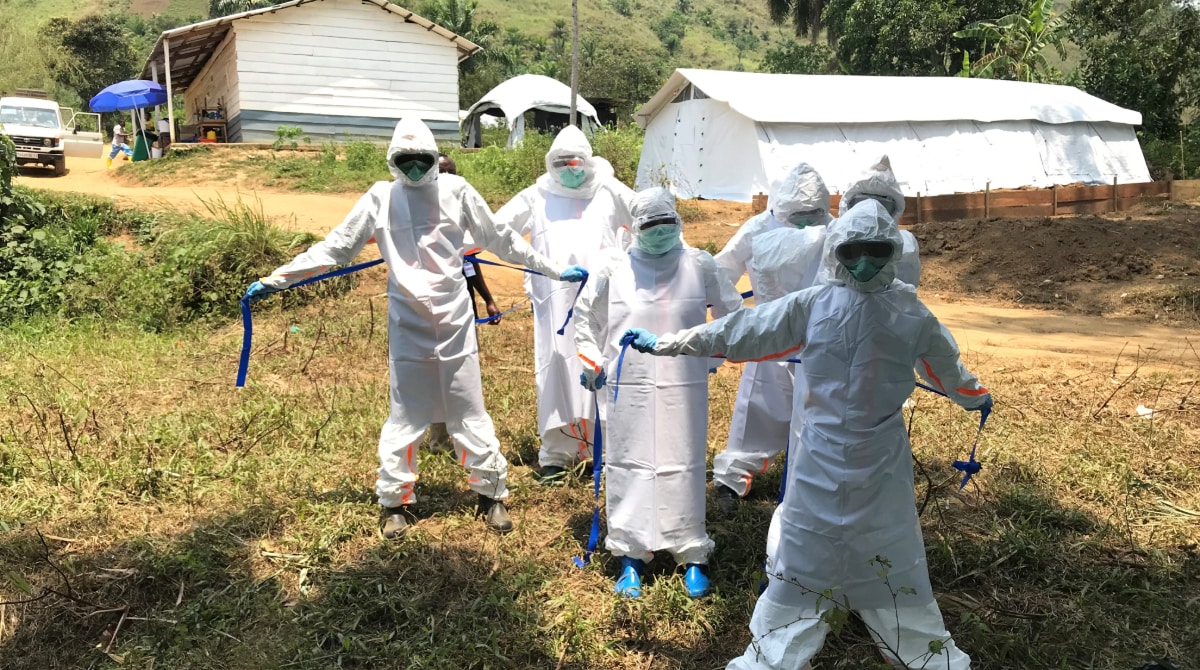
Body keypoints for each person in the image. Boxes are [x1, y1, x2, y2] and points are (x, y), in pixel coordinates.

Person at [622, 199, 991, 669]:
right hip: (829, 453)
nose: (863, 262)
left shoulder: (908, 312)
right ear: (837, 249)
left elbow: (946, 365)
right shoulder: (816, 305)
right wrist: (673, 343)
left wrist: (973, 395)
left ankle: (887, 622)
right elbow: (744, 329)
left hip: (872, 456)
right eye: (853, 250)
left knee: (880, 539)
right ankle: (818, 620)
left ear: (892, 251)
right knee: (816, 543)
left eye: (875, 251)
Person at [243, 118, 587, 539]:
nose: (414, 169)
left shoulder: (457, 191)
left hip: (456, 322)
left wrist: (554, 270)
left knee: (468, 409)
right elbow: (336, 246)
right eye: (405, 161)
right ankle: (395, 503)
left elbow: (502, 239)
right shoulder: (380, 198)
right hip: (407, 323)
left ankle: (491, 494)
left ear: (433, 158)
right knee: (406, 415)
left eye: (421, 159)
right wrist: (277, 278)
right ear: (392, 161)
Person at [574, 187, 742, 599]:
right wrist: (591, 361)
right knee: (629, 462)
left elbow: (732, 313)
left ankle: (691, 552)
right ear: (634, 228)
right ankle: (631, 554)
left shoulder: (698, 264)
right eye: (652, 226)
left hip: (684, 384)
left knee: (682, 463)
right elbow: (586, 320)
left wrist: (709, 357)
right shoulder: (614, 266)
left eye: (668, 224)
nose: (661, 232)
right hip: (627, 385)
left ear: (678, 221)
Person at [495, 125, 634, 484]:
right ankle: (556, 453)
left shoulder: (609, 189)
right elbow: (496, 229)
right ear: (550, 164)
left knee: (597, 364)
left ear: (588, 160)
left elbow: (646, 222)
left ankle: (597, 447)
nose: (570, 169)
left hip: (602, 300)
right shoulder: (536, 195)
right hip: (553, 299)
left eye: (576, 162)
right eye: (562, 163)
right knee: (555, 365)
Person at [710, 163, 833, 514]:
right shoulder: (759, 227)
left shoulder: (835, 229)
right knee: (757, 408)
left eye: (813, 213)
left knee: (818, 415)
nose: (806, 222)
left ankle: (810, 484)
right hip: (769, 335)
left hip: (821, 339)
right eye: (798, 214)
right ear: (780, 208)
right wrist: (735, 316)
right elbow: (720, 271)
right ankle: (732, 479)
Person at [836, 155, 921, 287]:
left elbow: (907, 287)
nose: (872, 211)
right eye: (861, 203)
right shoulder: (834, 237)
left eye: (882, 205)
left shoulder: (906, 245)